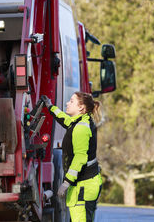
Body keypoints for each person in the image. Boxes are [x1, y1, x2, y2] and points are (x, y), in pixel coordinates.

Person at [41, 92, 102, 222]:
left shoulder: (81, 128)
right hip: (84, 185)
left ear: (81, 108)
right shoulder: (79, 122)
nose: (67, 103)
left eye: (71, 101)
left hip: (83, 187)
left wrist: (66, 182)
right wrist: (50, 107)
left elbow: (80, 157)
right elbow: (65, 119)